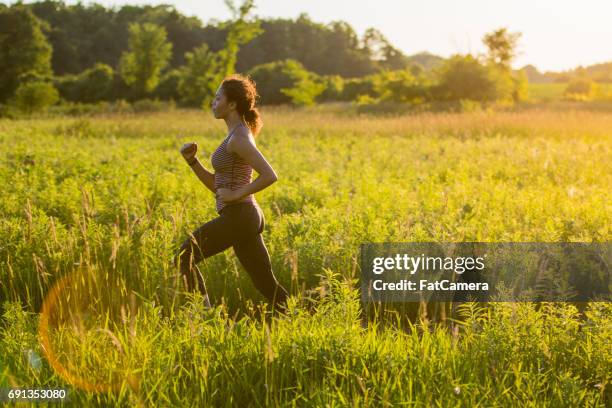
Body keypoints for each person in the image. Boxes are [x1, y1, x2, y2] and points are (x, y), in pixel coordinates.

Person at [173, 74, 290, 315]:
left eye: (218, 98)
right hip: (244, 216)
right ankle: (301, 319)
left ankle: (205, 317)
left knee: (185, 255)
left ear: (233, 104)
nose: (213, 103)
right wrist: (192, 161)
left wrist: (237, 195)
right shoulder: (235, 135)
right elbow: (218, 186)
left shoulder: (238, 138)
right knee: (266, 284)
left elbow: (269, 175)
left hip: (241, 214)